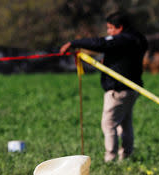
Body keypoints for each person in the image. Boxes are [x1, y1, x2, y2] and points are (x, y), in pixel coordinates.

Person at [60, 11, 148, 162]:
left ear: (120, 27)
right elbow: (123, 57)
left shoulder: (124, 39)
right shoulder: (138, 39)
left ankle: (111, 158)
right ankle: (126, 156)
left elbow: (101, 43)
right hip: (132, 89)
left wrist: (74, 43)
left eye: (110, 28)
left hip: (118, 90)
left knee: (109, 124)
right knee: (125, 123)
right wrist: (111, 62)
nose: (108, 32)